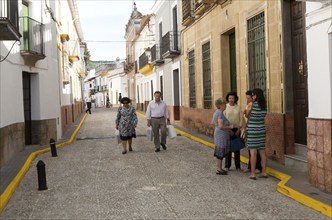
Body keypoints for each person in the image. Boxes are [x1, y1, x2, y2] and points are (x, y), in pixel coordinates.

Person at [246, 88, 268, 180]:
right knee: (262, 152)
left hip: (252, 130)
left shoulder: (252, 104)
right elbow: (263, 116)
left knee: (253, 152)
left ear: (255, 96)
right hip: (261, 129)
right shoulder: (264, 106)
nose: (252, 97)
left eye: (253, 95)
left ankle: (253, 173)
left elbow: (247, 115)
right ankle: (264, 172)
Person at [241, 90, 262, 173]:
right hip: (248, 128)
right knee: (250, 149)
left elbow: (247, 116)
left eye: (249, 97)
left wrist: (246, 113)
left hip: (253, 128)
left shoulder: (253, 105)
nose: (248, 99)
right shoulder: (248, 105)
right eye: (246, 98)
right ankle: (250, 166)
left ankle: (258, 167)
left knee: (256, 150)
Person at [212, 98, 233, 175]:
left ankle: (219, 168)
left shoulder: (216, 113)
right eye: (224, 104)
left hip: (218, 134)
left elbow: (214, 123)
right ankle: (219, 169)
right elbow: (221, 126)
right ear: (220, 105)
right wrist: (230, 127)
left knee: (219, 152)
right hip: (221, 135)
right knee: (220, 152)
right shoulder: (220, 113)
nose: (225, 106)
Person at [223, 92, 242, 171]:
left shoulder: (238, 107)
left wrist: (239, 129)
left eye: (232, 98)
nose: (231, 100)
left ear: (235, 99)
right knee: (228, 148)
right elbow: (223, 118)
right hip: (228, 129)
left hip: (236, 129)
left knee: (237, 148)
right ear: (227, 99)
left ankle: (238, 166)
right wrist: (227, 129)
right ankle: (227, 165)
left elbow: (241, 119)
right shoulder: (225, 107)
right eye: (230, 98)